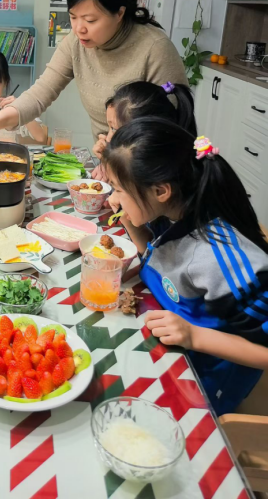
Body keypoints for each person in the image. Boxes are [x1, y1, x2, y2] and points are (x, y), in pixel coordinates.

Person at [103, 118, 268, 414]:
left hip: (201, 382)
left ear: (160, 191)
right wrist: (130, 221)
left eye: (118, 190)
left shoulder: (223, 258)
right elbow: (163, 259)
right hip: (166, 346)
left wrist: (194, 335)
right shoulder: (173, 211)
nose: (113, 198)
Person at [0, 0, 187, 141]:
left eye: (90, 20)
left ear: (120, 13)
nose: (79, 28)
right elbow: (40, 93)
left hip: (148, 163)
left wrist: (118, 156)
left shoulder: (155, 48)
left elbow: (168, 128)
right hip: (108, 157)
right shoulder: (76, 42)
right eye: (73, 17)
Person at [92, 80, 197, 180]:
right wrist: (108, 161)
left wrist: (112, 165)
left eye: (114, 129)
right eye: (110, 127)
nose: (108, 138)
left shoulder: (155, 177)